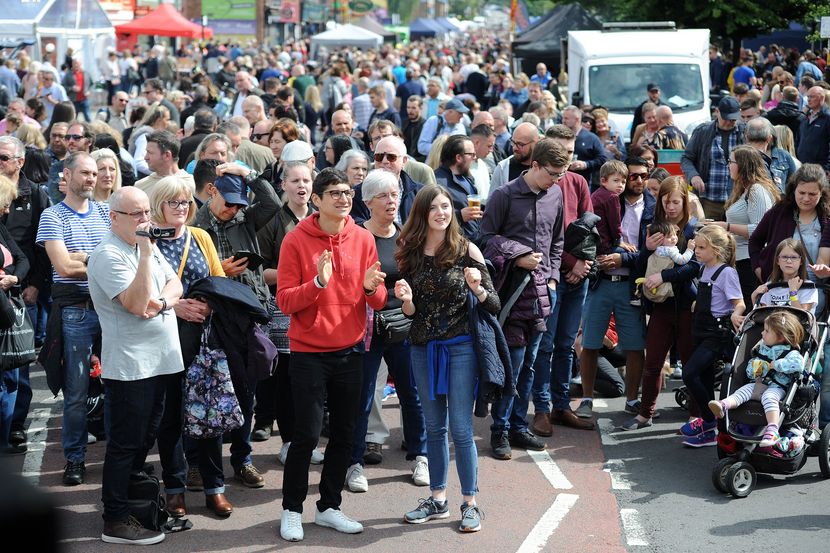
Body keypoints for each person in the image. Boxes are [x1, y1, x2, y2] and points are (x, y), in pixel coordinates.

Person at [276, 168, 387, 542]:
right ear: (318, 200)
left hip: (351, 350)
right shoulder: (295, 240)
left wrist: (373, 290)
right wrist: (318, 283)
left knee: (344, 434)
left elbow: (377, 299)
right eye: (335, 193)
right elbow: (285, 300)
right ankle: (292, 510)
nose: (343, 199)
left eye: (347, 193)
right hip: (308, 353)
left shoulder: (363, 238)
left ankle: (328, 507)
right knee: (306, 436)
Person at [395, 184, 499, 532]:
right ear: (422, 213)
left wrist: (478, 288)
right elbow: (410, 313)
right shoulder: (409, 252)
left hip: (461, 347)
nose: (442, 212)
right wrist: (406, 300)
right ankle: (437, 498)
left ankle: (470, 502)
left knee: (460, 427)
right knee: (434, 427)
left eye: (446, 207)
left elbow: (493, 304)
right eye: (434, 208)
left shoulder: (466, 249)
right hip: (422, 348)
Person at [89, 187, 184, 545]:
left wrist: (160, 303)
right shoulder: (108, 255)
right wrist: (145, 257)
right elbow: (133, 303)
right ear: (114, 218)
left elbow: (175, 284)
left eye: (147, 212)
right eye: (137, 214)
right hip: (131, 367)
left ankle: (134, 507)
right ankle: (114, 519)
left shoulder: (146, 247)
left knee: (147, 437)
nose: (146, 220)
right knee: (125, 443)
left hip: (161, 361)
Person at [150, 176, 234, 517]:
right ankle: (174, 490)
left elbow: (220, 283)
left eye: (185, 202)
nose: (182, 209)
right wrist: (175, 304)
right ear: (159, 205)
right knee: (170, 417)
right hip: (163, 339)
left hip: (202, 340)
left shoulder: (200, 236)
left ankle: (215, 489)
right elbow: (140, 291)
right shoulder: (148, 241)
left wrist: (209, 305)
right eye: (174, 203)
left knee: (210, 414)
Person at [481, 139, 566, 460]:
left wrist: (554, 278)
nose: (557, 180)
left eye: (560, 174)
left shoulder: (556, 193)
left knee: (530, 364)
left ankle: (518, 426)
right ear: (534, 166)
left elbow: (557, 240)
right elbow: (485, 237)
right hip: (511, 294)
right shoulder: (504, 195)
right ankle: (499, 430)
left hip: (544, 292)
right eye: (552, 174)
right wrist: (517, 255)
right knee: (512, 365)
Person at [344, 169, 428, 492]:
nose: (391, 201)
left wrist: (409, 297)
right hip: (365, 327)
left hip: (403, 325)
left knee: (412, 393)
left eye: (394, 194)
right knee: (363, 397)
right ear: (367, 202)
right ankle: (355, 463)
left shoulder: (407, 237)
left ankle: (419, 455)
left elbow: (418, 280)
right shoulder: (355, 236)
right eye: (383, 196)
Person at [36, 152, 111, 486]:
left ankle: (123, 458)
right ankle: (75, 459)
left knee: (121, 384)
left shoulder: (107, 213)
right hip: (75, 311)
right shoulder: (52, 216)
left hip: (110, 308)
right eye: (85, 173)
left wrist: (84, 257)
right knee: (77, 391)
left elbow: (119, 259)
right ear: (66, 175)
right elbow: (64, 268)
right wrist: (97, 261)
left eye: (95, 173)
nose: (92, 179)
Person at [253, 161, 325, 467]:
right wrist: (293, 274)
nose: (301, 186)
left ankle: (308, 441)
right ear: (283, 185)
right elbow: (259, 270)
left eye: (306, 180)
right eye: (295, 180)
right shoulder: (274, 222)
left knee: (314, 381)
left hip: (320, 308)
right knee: (286, 379)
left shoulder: (322, 220)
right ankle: (289, 442)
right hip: (283, 309)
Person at [621, 176, 697, 431]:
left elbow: (695, 268)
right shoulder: (654, 227)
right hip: (661, 305)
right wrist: (645, 249)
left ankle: (696, 416)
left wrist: (664, 275)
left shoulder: (693, 229)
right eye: (666, 202)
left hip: (686, 303)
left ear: (685, 202)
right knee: (652, 361)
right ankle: (645, 413)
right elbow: (641, 269)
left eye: (676, 202)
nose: (671, 207)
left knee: (691, 363)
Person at [677, 225, 745, 447]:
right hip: (699, 329)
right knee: (704, 380)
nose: (696, 250)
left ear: (716, 250)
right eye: (696, 246)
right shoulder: (704, 269)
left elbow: (739, 302)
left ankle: (708, 420)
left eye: (702, 247)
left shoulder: (726, 272)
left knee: (689, 374)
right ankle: (709, 434)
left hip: (715, 334)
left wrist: (736, 314)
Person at [709, 310, 803, 447]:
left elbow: (798, 365)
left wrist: (775, 365)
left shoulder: (791, 352)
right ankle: (724, 405)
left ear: (781, 337)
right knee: (742, 391)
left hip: (777, 387)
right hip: (759, 383)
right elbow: (750, 370)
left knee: (769, 397)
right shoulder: (762, 348)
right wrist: (755, 368)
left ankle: (772, 429)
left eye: (766, 331)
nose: (762, 333)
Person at [749, 164, 830, 315]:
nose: (806, 198)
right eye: (802, 192)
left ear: (821, 193)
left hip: (812, 291)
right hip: (778, 287)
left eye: (812, 194)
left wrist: (826, 271)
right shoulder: (780, 211)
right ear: (794, 190)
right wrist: (758, 268)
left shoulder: (826, 219)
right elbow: (755, 240)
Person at [0, 174, 30, 456]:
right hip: (4, 314)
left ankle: (6, 437)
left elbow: (23, 258)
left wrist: (13, 280)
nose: (8, 210)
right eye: (5, 203)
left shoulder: (0, 227)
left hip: (6, 311)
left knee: (10, 380)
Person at [681, 96, 746, 221]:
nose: (729, 122)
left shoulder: (744, 132)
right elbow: (686, 159)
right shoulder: (703, 131)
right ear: (717, 112)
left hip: (737, 201)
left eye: (733, 119)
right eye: (726, 118)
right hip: (708, 200)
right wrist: (694, 176)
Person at [751, 238, 817, 313]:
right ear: (777, 261)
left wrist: (793, 292)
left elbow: (802, 317)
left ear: (801, 261)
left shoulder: (808, 286)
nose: (789, 261)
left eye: (794, 257)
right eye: (784, 257)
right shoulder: (769, 286)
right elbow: (761, 317)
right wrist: (754, 296)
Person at [638, 222, 695, 303]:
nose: (673, 238)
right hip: (668, 288)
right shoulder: (670, 250)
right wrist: (690, 249)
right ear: (659, 239)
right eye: (669, 236)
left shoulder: (656, 248)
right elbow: (682, 260)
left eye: (675, 234)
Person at [592, 160, 635, 256]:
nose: (620, 185)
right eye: (616, 180)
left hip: (594, 243)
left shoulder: (597, 194)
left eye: (623, 182)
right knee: (632, 253)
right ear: (603, 181)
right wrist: (619, 241)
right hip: (604, 245)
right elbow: (615, 223)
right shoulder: (612, 197)